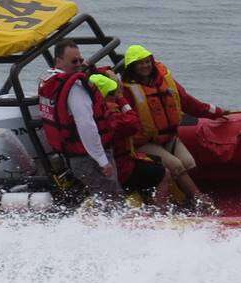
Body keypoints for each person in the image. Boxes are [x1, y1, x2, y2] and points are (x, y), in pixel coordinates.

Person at [38, 41, 159, 202]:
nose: (79, 64)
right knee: (113, 201)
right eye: (74, 61)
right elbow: (87, 126)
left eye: (81, 60)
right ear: (59, 61)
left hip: (71, 155)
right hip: (90, 158)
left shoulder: (49, 80)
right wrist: (102, 160)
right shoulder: (76, 89)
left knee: (104, 200)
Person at [119, 43, 228, 207]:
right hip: (144, 143)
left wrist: (216, 111)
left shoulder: (166, 81)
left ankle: (185, 200)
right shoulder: (127, 90)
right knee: (176, 165)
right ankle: (199, 198)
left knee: (189, 162)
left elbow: (189, 103)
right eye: (140, 63)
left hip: (169, 137)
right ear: (132, 66)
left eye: (147, 61)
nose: (145, 66)